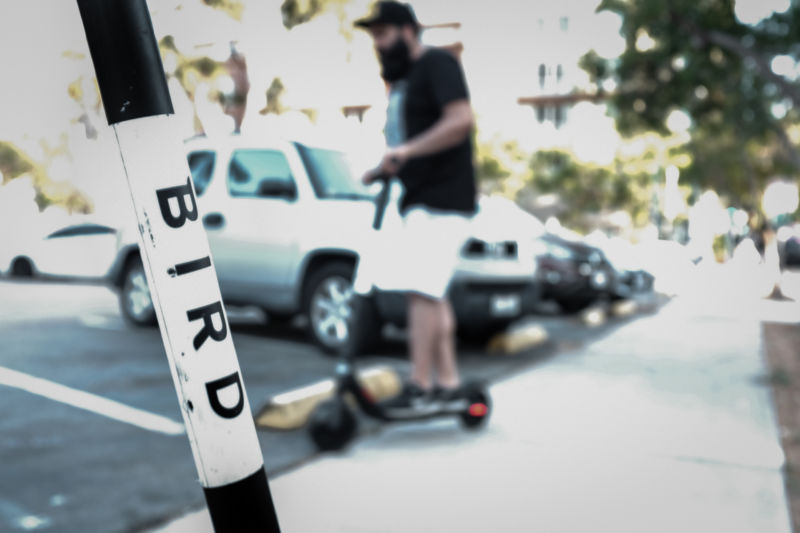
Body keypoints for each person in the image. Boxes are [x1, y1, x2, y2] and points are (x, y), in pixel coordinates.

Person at [354, 1, 478, 412]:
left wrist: (405, 152)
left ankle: (419, 385)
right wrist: (381, 169)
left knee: (420, 292)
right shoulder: (404, 81)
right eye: (374, 37)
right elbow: (404, 144)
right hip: (419, 200)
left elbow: (460, 120)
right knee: (433, 293)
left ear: (408, 31)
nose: (379, 44)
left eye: (383, 34)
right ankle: (448, 382)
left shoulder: (438, 64)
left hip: (444, 200)